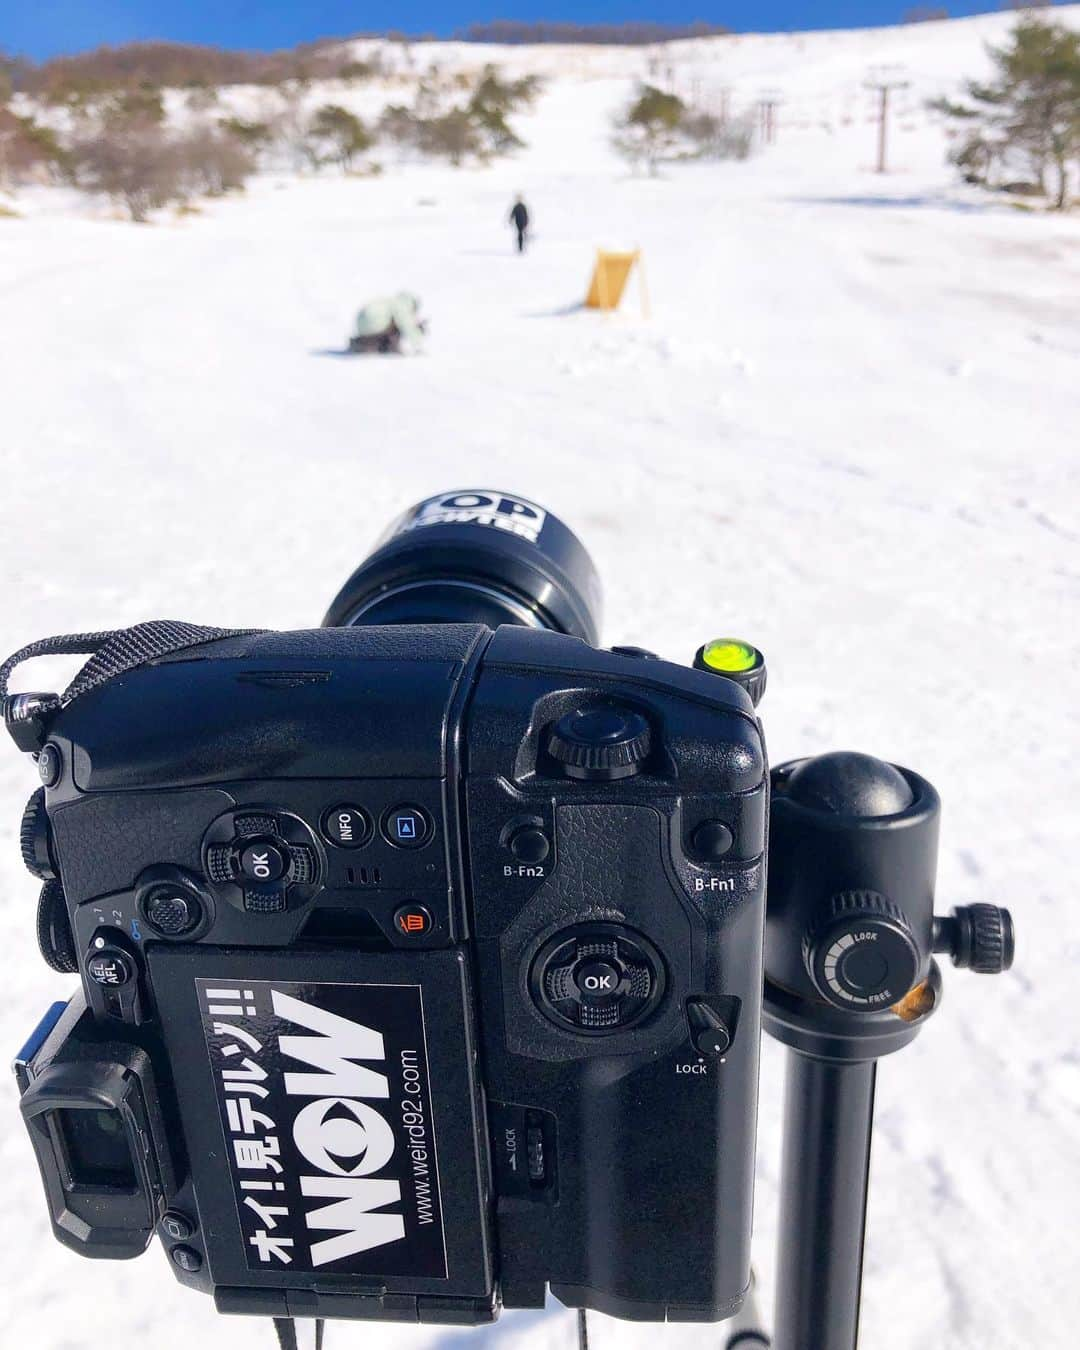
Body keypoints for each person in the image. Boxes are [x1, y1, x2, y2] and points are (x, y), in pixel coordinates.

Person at [348, 292, 426, 355]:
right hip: (374, 323)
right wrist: (417, 339)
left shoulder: (390, 301)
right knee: (397, 326)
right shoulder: (402, 305)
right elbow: (406, 325)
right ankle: (390, 347)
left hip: (362, 324)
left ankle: (363, 344)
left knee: (391, 322)